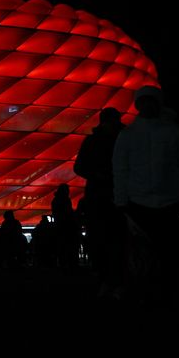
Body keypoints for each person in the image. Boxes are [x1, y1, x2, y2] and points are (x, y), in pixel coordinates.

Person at [112, 85, 179, 297]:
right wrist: (121, 200)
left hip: (170, 200)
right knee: (145, 253)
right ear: (138, 105)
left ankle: (166, 291)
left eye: (150, 101)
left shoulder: (175, 132)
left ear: (158, 103)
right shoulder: (128, 135)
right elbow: (120, 169)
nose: (147, 105)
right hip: (139, 202)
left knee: (168, 251)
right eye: (143, 102)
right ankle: (150, 291)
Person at [74, 107, 124, 294]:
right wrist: (97, 175)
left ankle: (113, 278)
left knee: (111, 238)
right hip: (106, 195)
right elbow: (79, 167)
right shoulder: (118, 139)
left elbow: (79, 167)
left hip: (105, 195)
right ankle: (108, 278)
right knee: (107, 238)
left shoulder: (121, 138)